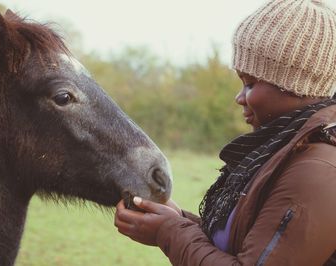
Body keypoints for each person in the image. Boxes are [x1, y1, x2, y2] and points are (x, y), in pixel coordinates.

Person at [114, 0, 336, 265]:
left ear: (294, 84)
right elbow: (245, 244)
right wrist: (178, 220)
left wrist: (168, 231)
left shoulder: (318, 170)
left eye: (250, 84)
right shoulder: (280, 150)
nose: (239, 97)